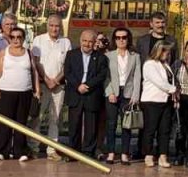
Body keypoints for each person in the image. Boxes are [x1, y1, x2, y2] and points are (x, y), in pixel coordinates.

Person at [0, 25, 38, 161]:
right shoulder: (4, 52)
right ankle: (2, 150)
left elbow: (34, 71)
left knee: (21, 122)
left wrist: (37, 90)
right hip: (6, 91)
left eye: (19, 37)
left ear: (23, 39)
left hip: (24, 92)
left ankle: (20, 151)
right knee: (4, 122)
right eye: (13, 37)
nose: (16, 40)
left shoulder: (28, 53)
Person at [30, 14, 70, 161]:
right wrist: (46, 80)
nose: (54, 28)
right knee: (38, 117)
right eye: (52, 25)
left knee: (56, 117)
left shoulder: (65, 42)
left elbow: (67, 65)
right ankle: (33, 146)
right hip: (42, 84)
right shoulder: (38, 40)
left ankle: (52, 148)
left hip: (58, 86)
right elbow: (36, 62)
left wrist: (56, 80)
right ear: (47, 26)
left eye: (57, 26)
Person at [64, 29, 108, 158]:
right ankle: (72, 152)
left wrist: (87, 86)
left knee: (91, 125)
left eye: (90, 42)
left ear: (95, 43)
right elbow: (68, 72)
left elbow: (101, 75)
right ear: (80, 41)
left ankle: (88, 152)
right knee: (74, 124)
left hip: (91, 94)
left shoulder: (101, 57)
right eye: (84, 41)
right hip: (75, 93)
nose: (87, 44)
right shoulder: (71, 54)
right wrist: (78, 86)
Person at [103, 26, 141, 165]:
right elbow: (106, 77)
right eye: (118, 37)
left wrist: (135, 95)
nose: (121, 40)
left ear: (128, 39)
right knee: (111, 124)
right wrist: (110, 92)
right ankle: (111, 153)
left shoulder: (135, 56)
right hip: (113, 93)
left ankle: (125, 153)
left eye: (124, 37)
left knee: (127, 125)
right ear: (114, 39)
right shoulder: (108, 56)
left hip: (128, 93)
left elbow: (137, 76)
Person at [140, 42, 177, 168]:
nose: (167, 54)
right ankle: (148, 154)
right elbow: (159, 82)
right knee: (150, 129)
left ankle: (163, 155)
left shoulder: (166, 65)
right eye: (165, 51)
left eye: (168, 52)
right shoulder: (149, 64)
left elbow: (169, 80)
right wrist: (174, 89)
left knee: (164, 130)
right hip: (152, 101)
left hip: (165, 101)